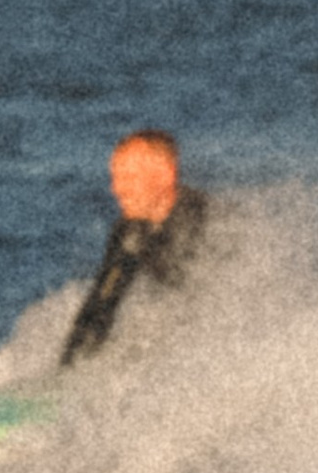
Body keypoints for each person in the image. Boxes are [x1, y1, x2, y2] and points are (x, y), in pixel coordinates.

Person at [59, 129, 210, 366]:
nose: (116, 189)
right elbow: (100, 306)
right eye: (115, 178)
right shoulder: (129, 231)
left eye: (128, 178)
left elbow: (207, 310)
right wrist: (67, 373)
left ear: (165, 176)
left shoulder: (202, 223)